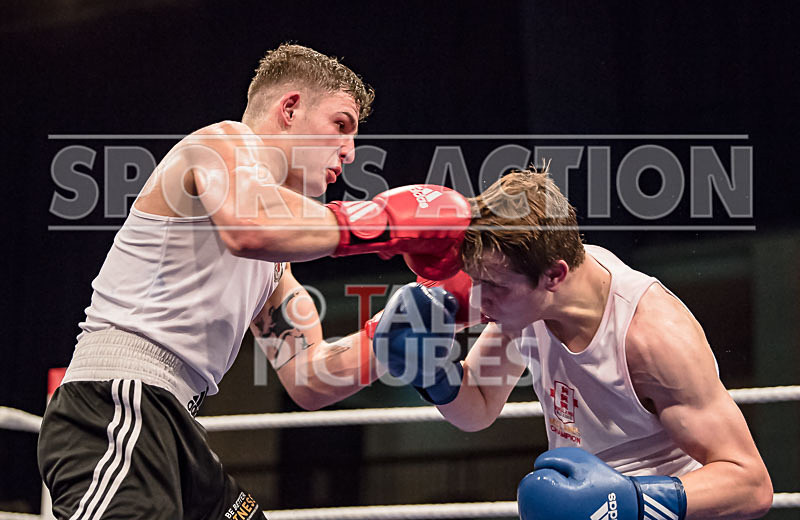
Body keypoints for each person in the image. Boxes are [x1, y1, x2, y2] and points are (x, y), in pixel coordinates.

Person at [37, 43, 471, 520]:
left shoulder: (274, 269)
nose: (349, 150)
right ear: (289, 108)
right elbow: (252, 227)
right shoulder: (221, 142)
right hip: (116, 405)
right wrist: (382, 221)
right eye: (340, 125)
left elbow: (307, 377)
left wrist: (391, 340)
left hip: (170, 423)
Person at [373, 165, 773, 519]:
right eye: (476, 280)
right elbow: (476, 407)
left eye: (493, 285)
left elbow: (751, 484)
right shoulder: (527, 303)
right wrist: (432, 373)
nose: (478, 300)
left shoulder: (652, 338)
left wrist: (631, 501)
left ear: (554, 275)